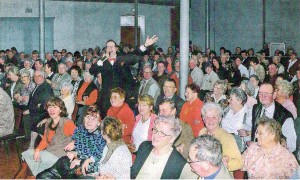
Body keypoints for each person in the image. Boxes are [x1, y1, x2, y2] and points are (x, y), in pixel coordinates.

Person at [36, 106, 106, 179]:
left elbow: (99, 161)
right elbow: (77, 147)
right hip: (69, 163)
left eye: (94, 119)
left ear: (99, 123)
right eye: (88, 117)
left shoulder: (101, 138)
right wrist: (73, 152)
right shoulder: (80, 129)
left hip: (84, 170)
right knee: (41, 177)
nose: (89, 121)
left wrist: (80, 161)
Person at [98, 36, 158, 117]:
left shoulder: (122, 59)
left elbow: (134, 54)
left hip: (122, 97)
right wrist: (102, 59)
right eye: (108, 46)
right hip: (107, 98)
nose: (110, 48)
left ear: (116, 48)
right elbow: (92, 70)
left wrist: (145, 45)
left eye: (112, 46)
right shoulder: (102, 62)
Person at [21, 97, 76, 177]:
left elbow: (80, 137)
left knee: (37, 160)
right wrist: (37, 150)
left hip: (59, 156)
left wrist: (73, 143)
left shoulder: (67, 122)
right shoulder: (49, 121)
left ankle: (39, 174)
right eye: (50, 107)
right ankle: (41, 174)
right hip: (48, 152)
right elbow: (45, 141)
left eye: (55, 107)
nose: (52, 110)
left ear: (61, 110)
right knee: (25, 154)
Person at [131, 116, 197, 179]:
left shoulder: (180, 164)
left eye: (162, 133)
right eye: (155, 130)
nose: (156, 135)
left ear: (172, 139)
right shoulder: (144, 147)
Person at [251, 83, 296, 152]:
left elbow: (292, 145)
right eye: (260, 93)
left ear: (274, 95)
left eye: (266, 93)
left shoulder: (285, 115)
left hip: (273, 154)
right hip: (254, 151)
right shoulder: (256, 108)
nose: (263, 96)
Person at [199, 102, 243, 172]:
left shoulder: (227, 138)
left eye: (214, 117)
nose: (210, 120)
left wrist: (225, 163)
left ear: (220, 119)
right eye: (207, 117)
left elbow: (239, 162)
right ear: (203, 119)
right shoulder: (202, 132)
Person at [26, 70, 54, 149]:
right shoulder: (39, 85)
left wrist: (31, 110)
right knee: (33, 122)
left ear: (44, 76)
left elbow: (46, 106)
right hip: (37, 114)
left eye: (39, 76)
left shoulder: (46, 88)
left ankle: (50, 149)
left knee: (36, 123)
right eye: (35, 76)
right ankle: (31, 146)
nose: (37, 78)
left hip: (44, 116)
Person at [221, 87, 252, 152]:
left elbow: (253, 132)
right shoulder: (227, 110)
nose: (228, 101)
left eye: (231, 99)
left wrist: (248, 133)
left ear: (240, 100)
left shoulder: (247, 114)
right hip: (222, 138)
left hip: (236, 144)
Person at [14, 69, 36, 139]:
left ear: (29, 77)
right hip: (21, 104)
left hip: (31, 105)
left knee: (26, 113)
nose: (23, 78)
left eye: (25, 76)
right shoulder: (20, 85)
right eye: (22, 77)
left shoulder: (33, 85)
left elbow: (35, 97)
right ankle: (15, 132)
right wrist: (17, 96)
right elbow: (15, 93)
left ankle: (27, 135)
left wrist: (26, 98)